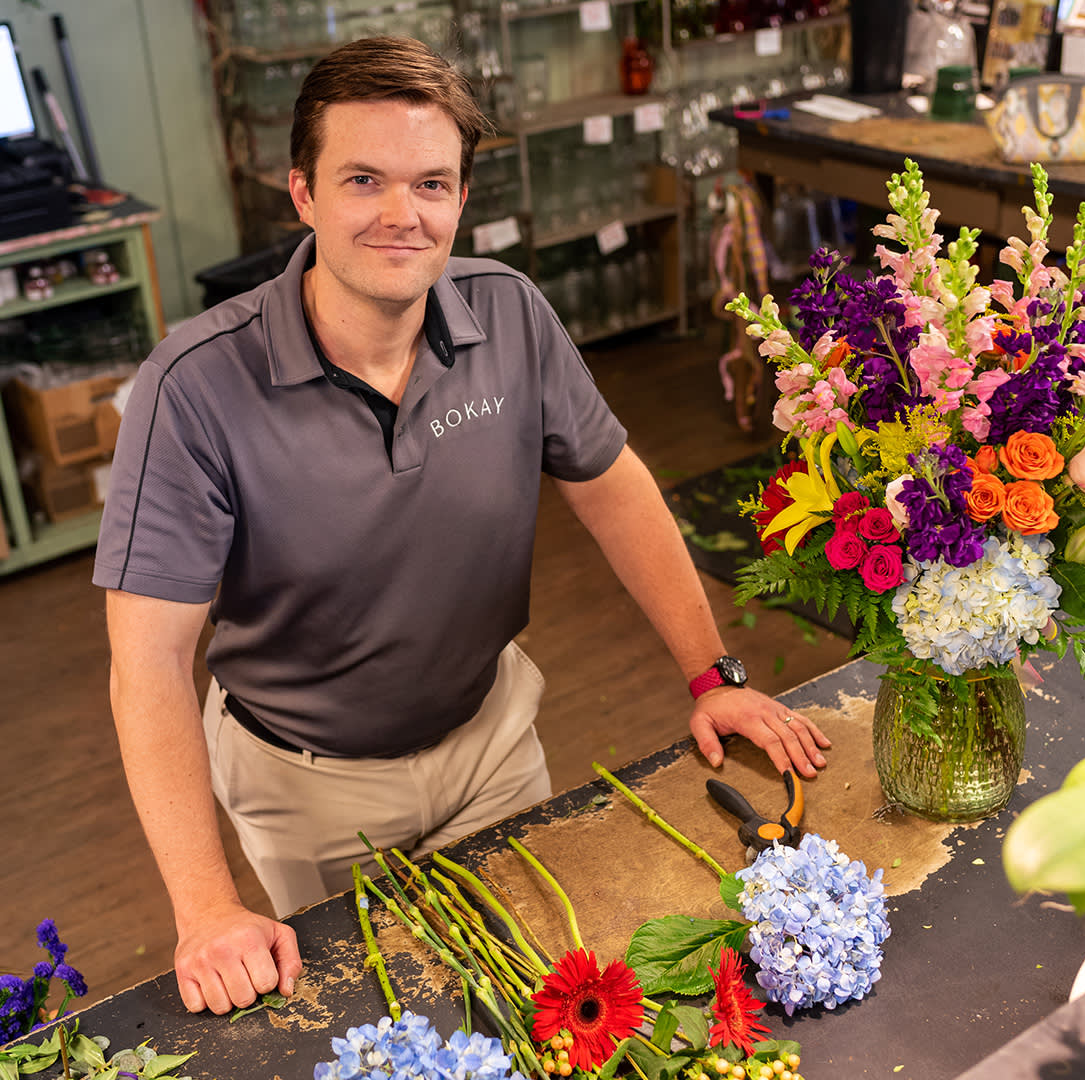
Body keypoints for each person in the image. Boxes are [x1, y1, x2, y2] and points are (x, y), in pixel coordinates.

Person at [93, 35, 830, 1017]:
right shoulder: (193, 389)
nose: (402, 214)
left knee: (538, 995)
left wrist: (713, 676)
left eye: (430, 184)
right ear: (303, 194)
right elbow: (147, 663)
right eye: (363, 179)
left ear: (460, 199)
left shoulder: (509, 313)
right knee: (384, 1023)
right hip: (309, 788)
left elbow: (614, 487)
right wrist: (204, 907)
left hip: (491, 743)